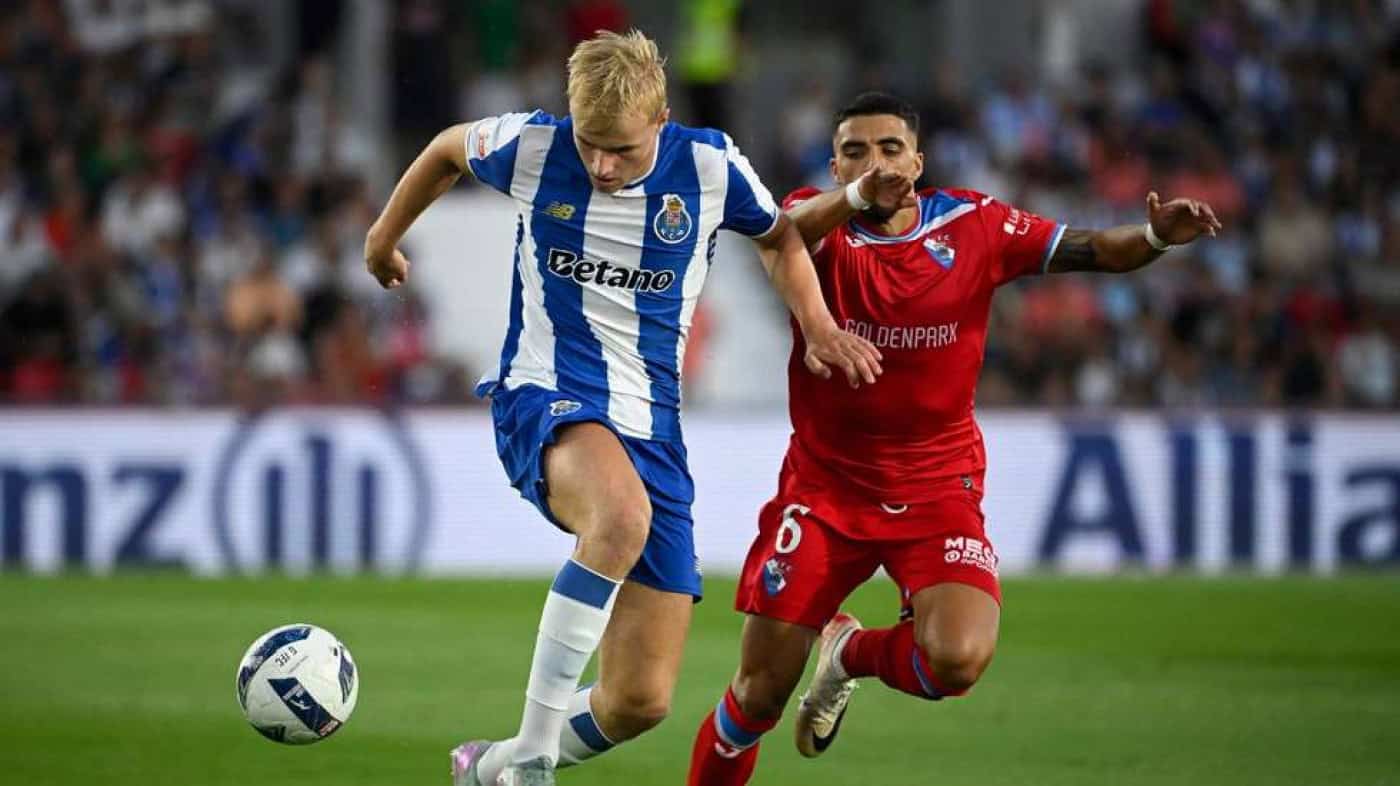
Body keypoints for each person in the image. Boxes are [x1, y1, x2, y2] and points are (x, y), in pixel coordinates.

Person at [362, 31, 882, 786]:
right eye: (591, 144)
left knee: (638, 700)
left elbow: (778, 240)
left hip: (653, 430)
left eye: (624, 151)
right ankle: (534, 762)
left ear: (662, 118)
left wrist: (821, 326)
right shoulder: (533, 148)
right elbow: (446, 149)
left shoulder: (708, 165)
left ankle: (487, 769)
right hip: (544, 393)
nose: (603, 165)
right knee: (620, 518)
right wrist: (383, 238)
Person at [686, 92, 1221, 786]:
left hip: (938, 487)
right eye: (854, 150)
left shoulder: (976, 223)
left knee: (958, 659)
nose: (873, 162)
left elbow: (1089, 248)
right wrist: (852, 195)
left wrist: (1151, 239)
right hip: (825, 490)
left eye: (888, 149)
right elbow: (779, 230)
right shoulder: (816, 228)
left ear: (918, 161)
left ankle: (849, 654)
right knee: (756, 697)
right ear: (834, 164)